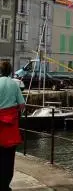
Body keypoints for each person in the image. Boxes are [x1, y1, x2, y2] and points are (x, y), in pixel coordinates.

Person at [0, 61, 25, 191]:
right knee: (8, 158)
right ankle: (5, 185)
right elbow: (22, 104)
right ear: (10, 71)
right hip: (10, 127)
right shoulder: (14, 84)